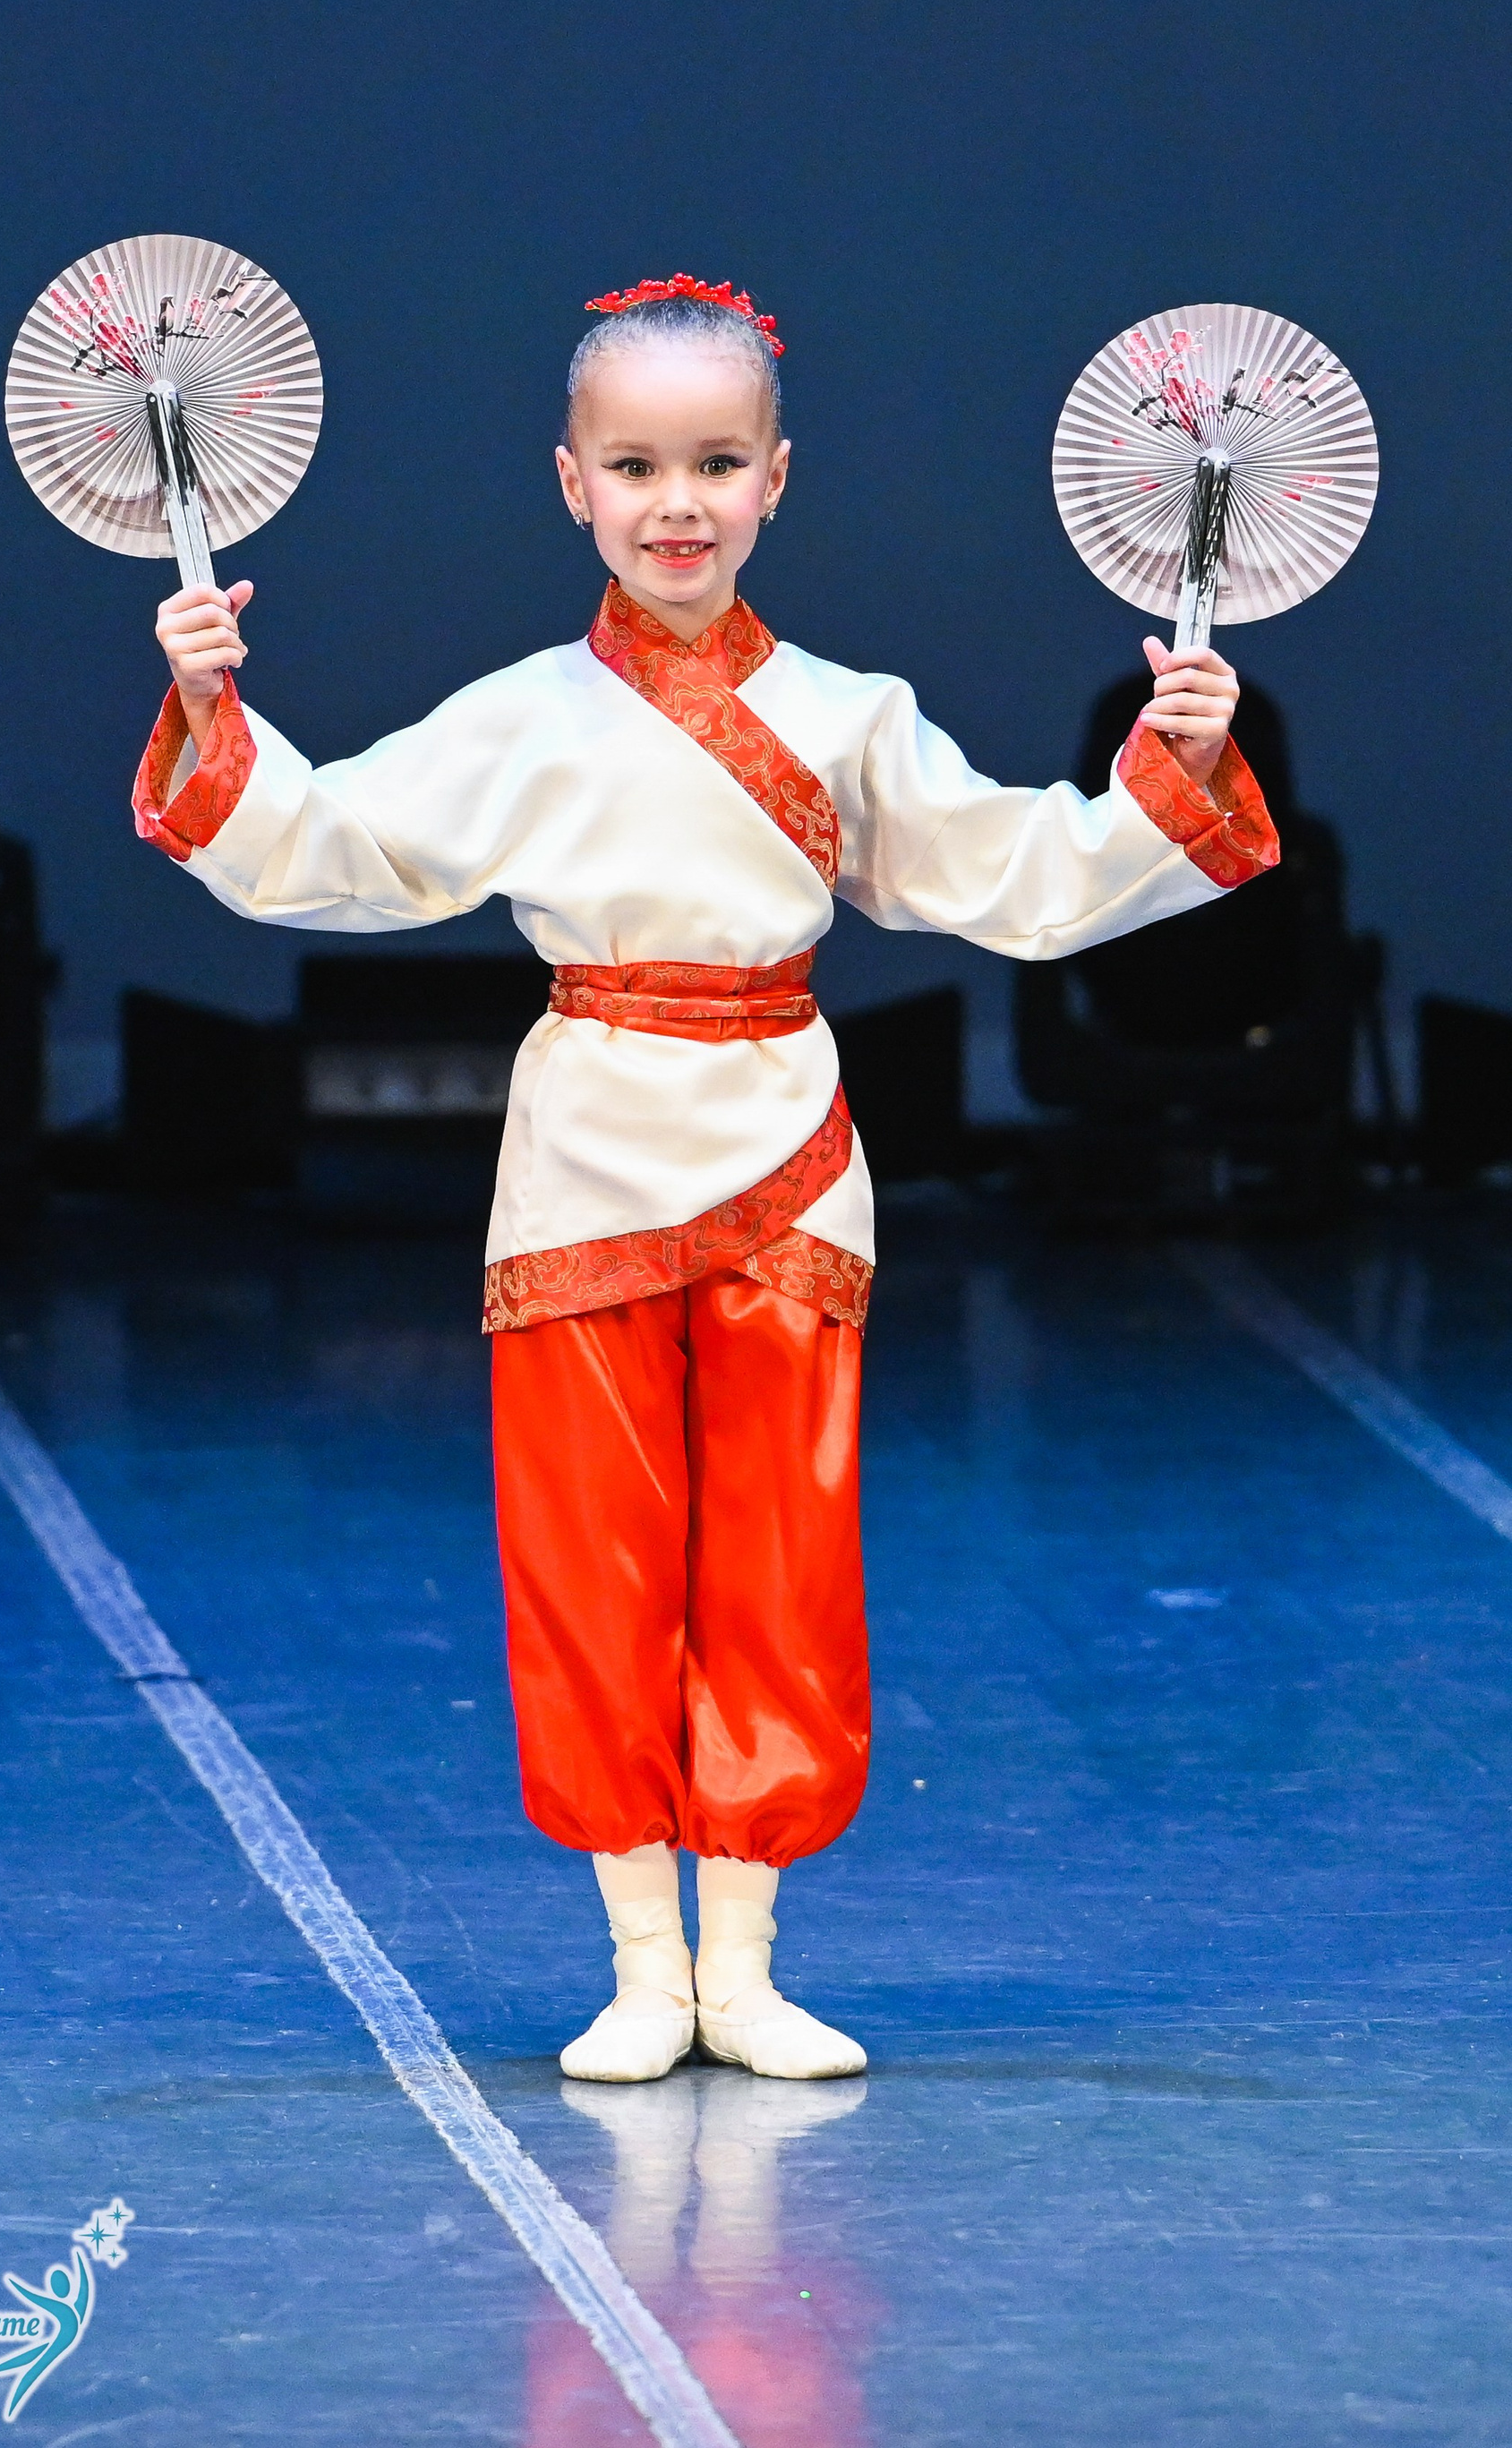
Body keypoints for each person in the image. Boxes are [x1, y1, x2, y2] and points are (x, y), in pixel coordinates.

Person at [133, 274, 1273, 2084]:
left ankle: (742, 1967)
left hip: (785, 1152)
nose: (679, 502)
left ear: (777, 480)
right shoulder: (522, 717)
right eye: (639, 465)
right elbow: (331, 846)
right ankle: (640, 1967)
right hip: (586, 1154)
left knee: (779, 1564)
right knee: (593, 1561)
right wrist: (214, 708)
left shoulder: (849, 715)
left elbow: (1020, 875)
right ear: (571, 481)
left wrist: (1174, 764)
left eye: (719, 463)